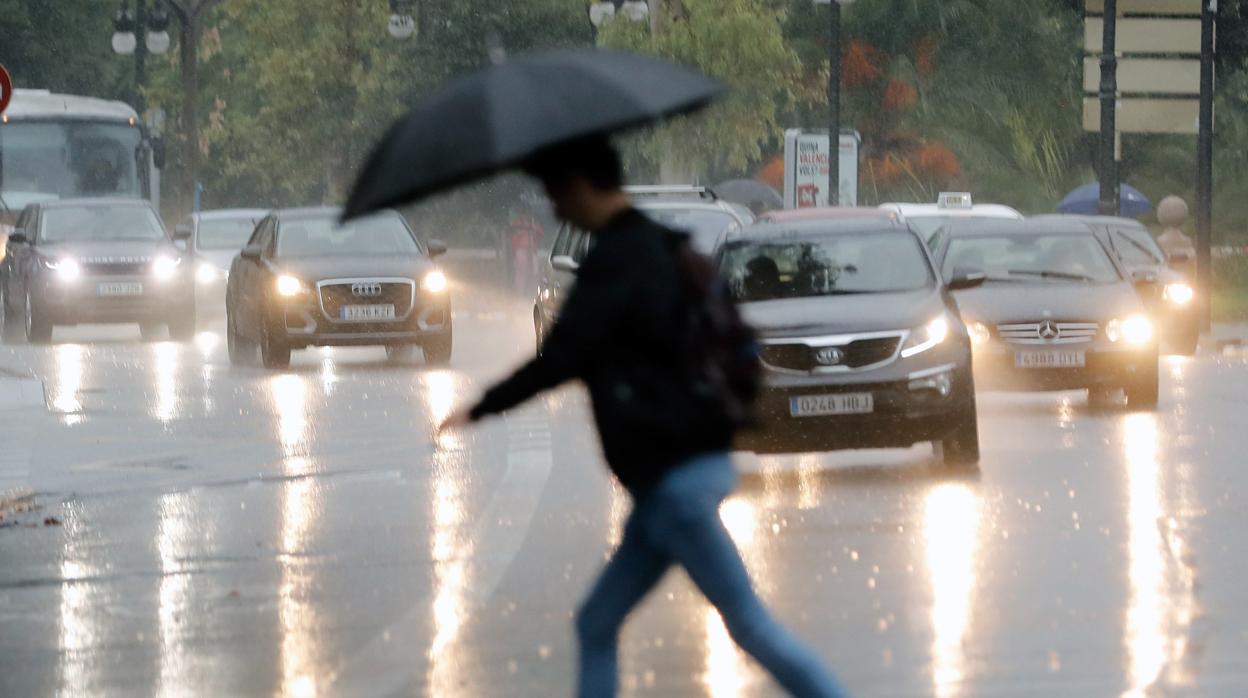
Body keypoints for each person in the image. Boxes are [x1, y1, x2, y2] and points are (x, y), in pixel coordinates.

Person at [438, 136, 847, 698]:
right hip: (682, 469)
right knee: (597, 623)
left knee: (749, 624)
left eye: (556, 193)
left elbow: (562, 357)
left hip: (674, 481)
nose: (554, 207)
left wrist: (480, 407)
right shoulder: (661, 247)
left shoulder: (616, 264)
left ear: (581, 187)